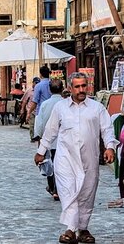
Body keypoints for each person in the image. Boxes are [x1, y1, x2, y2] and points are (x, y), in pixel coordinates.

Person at [34, 72, 118, 244]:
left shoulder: (97, 108)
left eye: (83, 86)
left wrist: (110, 147)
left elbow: (107, 130)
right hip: (66, 159)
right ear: (70, 88)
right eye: (77, 86)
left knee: (87, 193)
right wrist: (41, 151)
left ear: (87, 86)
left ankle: (83, 229)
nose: (81, 90)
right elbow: (50, 132)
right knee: (68, 192)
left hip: (89, 159)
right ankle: (70, 230)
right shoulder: (61, 108)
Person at [34, 79, 68, 201]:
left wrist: (40, 139)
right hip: (63, 141)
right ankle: (58, 189)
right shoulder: (65, 104)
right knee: (61, 166)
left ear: (49, 90)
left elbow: (39, 123)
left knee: (49, 164)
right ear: (62, 88)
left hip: (48, 141)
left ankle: (53, 187)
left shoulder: (44, 104)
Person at [28, 65, 51, 142]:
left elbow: (35, 102)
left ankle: (41, 152)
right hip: (52, 110)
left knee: (40, 135)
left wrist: (29, 112)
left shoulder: (38, 86)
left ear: (40, 74)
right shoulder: (52, 84)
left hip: (41, 112)